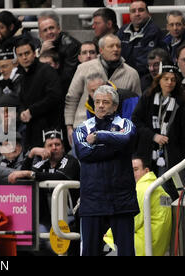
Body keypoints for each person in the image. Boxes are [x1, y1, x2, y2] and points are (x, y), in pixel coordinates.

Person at [73, 85, 139, 256]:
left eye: (106, 102)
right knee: (89, 251)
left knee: (126, 252)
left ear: (115, 106)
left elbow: (127, 138)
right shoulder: (82, 128)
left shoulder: (126, 124)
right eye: (97, 102)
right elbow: (84, 153)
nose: (101, 105)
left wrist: (99, 137)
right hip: (92, 201)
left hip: (122, 200)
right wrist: (116, 149)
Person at [65, 34, 141, 147]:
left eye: (118, 46)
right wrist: (69, 126)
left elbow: (138, 106)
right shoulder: (84, 68)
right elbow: (72, 98)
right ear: (101, 50)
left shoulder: (132, 73)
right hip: (83, 124)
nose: (115, 49)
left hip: (117, 131)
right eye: (111, 46)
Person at [132, 62, 185, 201]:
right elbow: (136, 120)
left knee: (168, 191)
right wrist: (154, 136)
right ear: (159, 80)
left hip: (171, 156)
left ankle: (168, 218)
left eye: (173, 79)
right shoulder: (148, 96)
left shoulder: (182, 101)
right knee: (149, 189)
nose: (169, 82)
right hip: (148, 153)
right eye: (166, 79)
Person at [104, 156, 172, 256]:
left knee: (97, 242)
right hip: (158, 247)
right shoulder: (161, 191)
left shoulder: (141, 189)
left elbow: (131, 221)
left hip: (141, 247)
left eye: (135, 170)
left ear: (146, 170)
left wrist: (109, 234)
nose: (132, 174)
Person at [15, 38, 64, 149]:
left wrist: (31, 111)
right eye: (20, 55)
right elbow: (22, 100)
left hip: (49, 128)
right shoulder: (22, 76)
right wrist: (22, 112)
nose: (24, 57)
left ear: (34, 53)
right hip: (31, 129)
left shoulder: (47, 70)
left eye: (27, 53)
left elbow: (55, 96)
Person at [116, 0, 165, 76]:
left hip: (145, 76)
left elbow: (144, 63)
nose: (137, 14)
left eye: (141, 10)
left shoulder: (154, 32)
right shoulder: (123, 30)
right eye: (133, 11)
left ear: (148, 13)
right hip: (123, 74)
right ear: (130, 14)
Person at [38, 11, 81, 93]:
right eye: (45, 30)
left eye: (51, 28)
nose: (49, 32)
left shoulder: (71, 45)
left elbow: (67, 78)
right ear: (40, 34)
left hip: (65, 90)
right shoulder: (41, 45)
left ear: (58, 29)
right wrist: (41, 54)